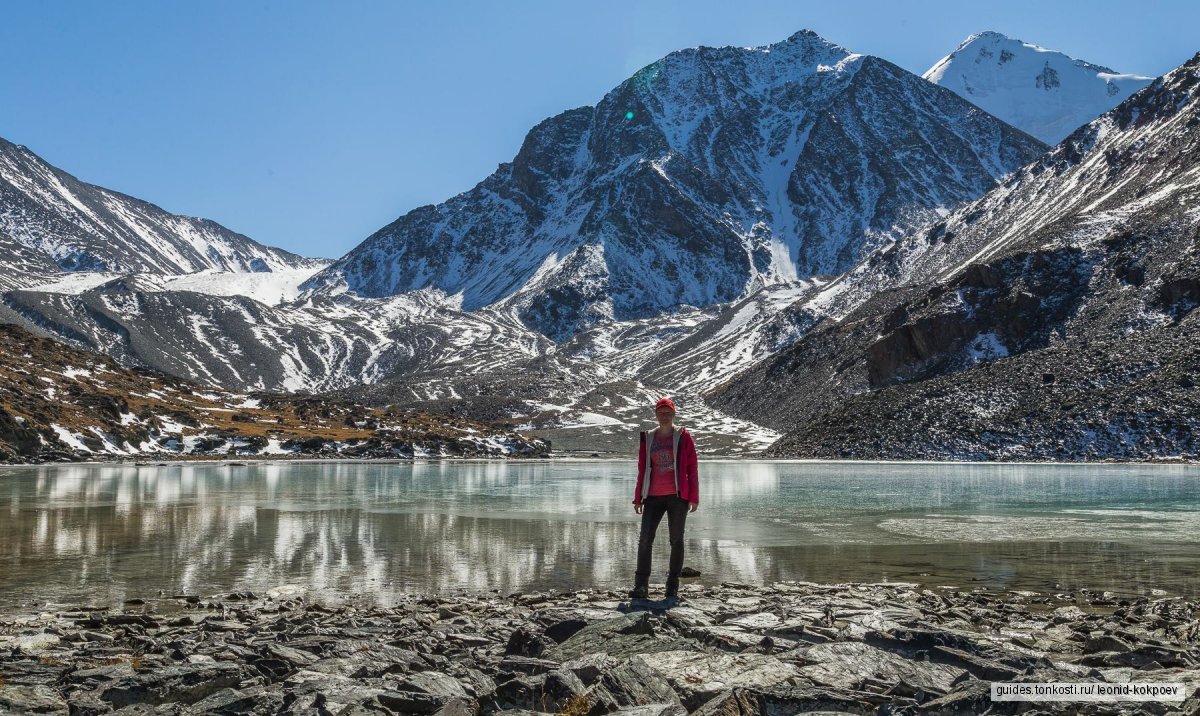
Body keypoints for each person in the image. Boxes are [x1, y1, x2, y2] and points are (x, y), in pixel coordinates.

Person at [629, 397, 699, 605]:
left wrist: (694, 497)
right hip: (652, 496)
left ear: (673, 414)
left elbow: (692, 468)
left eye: (668, 412)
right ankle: (641, 586)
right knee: (645, 539)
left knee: (676, 540)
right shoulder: (649, 437)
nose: (664, 415)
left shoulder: (683, 436)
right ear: (656, 415)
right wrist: (638, 497)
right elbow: (643, 468)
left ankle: (672, 586)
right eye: (661, 412)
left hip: (677, 497)